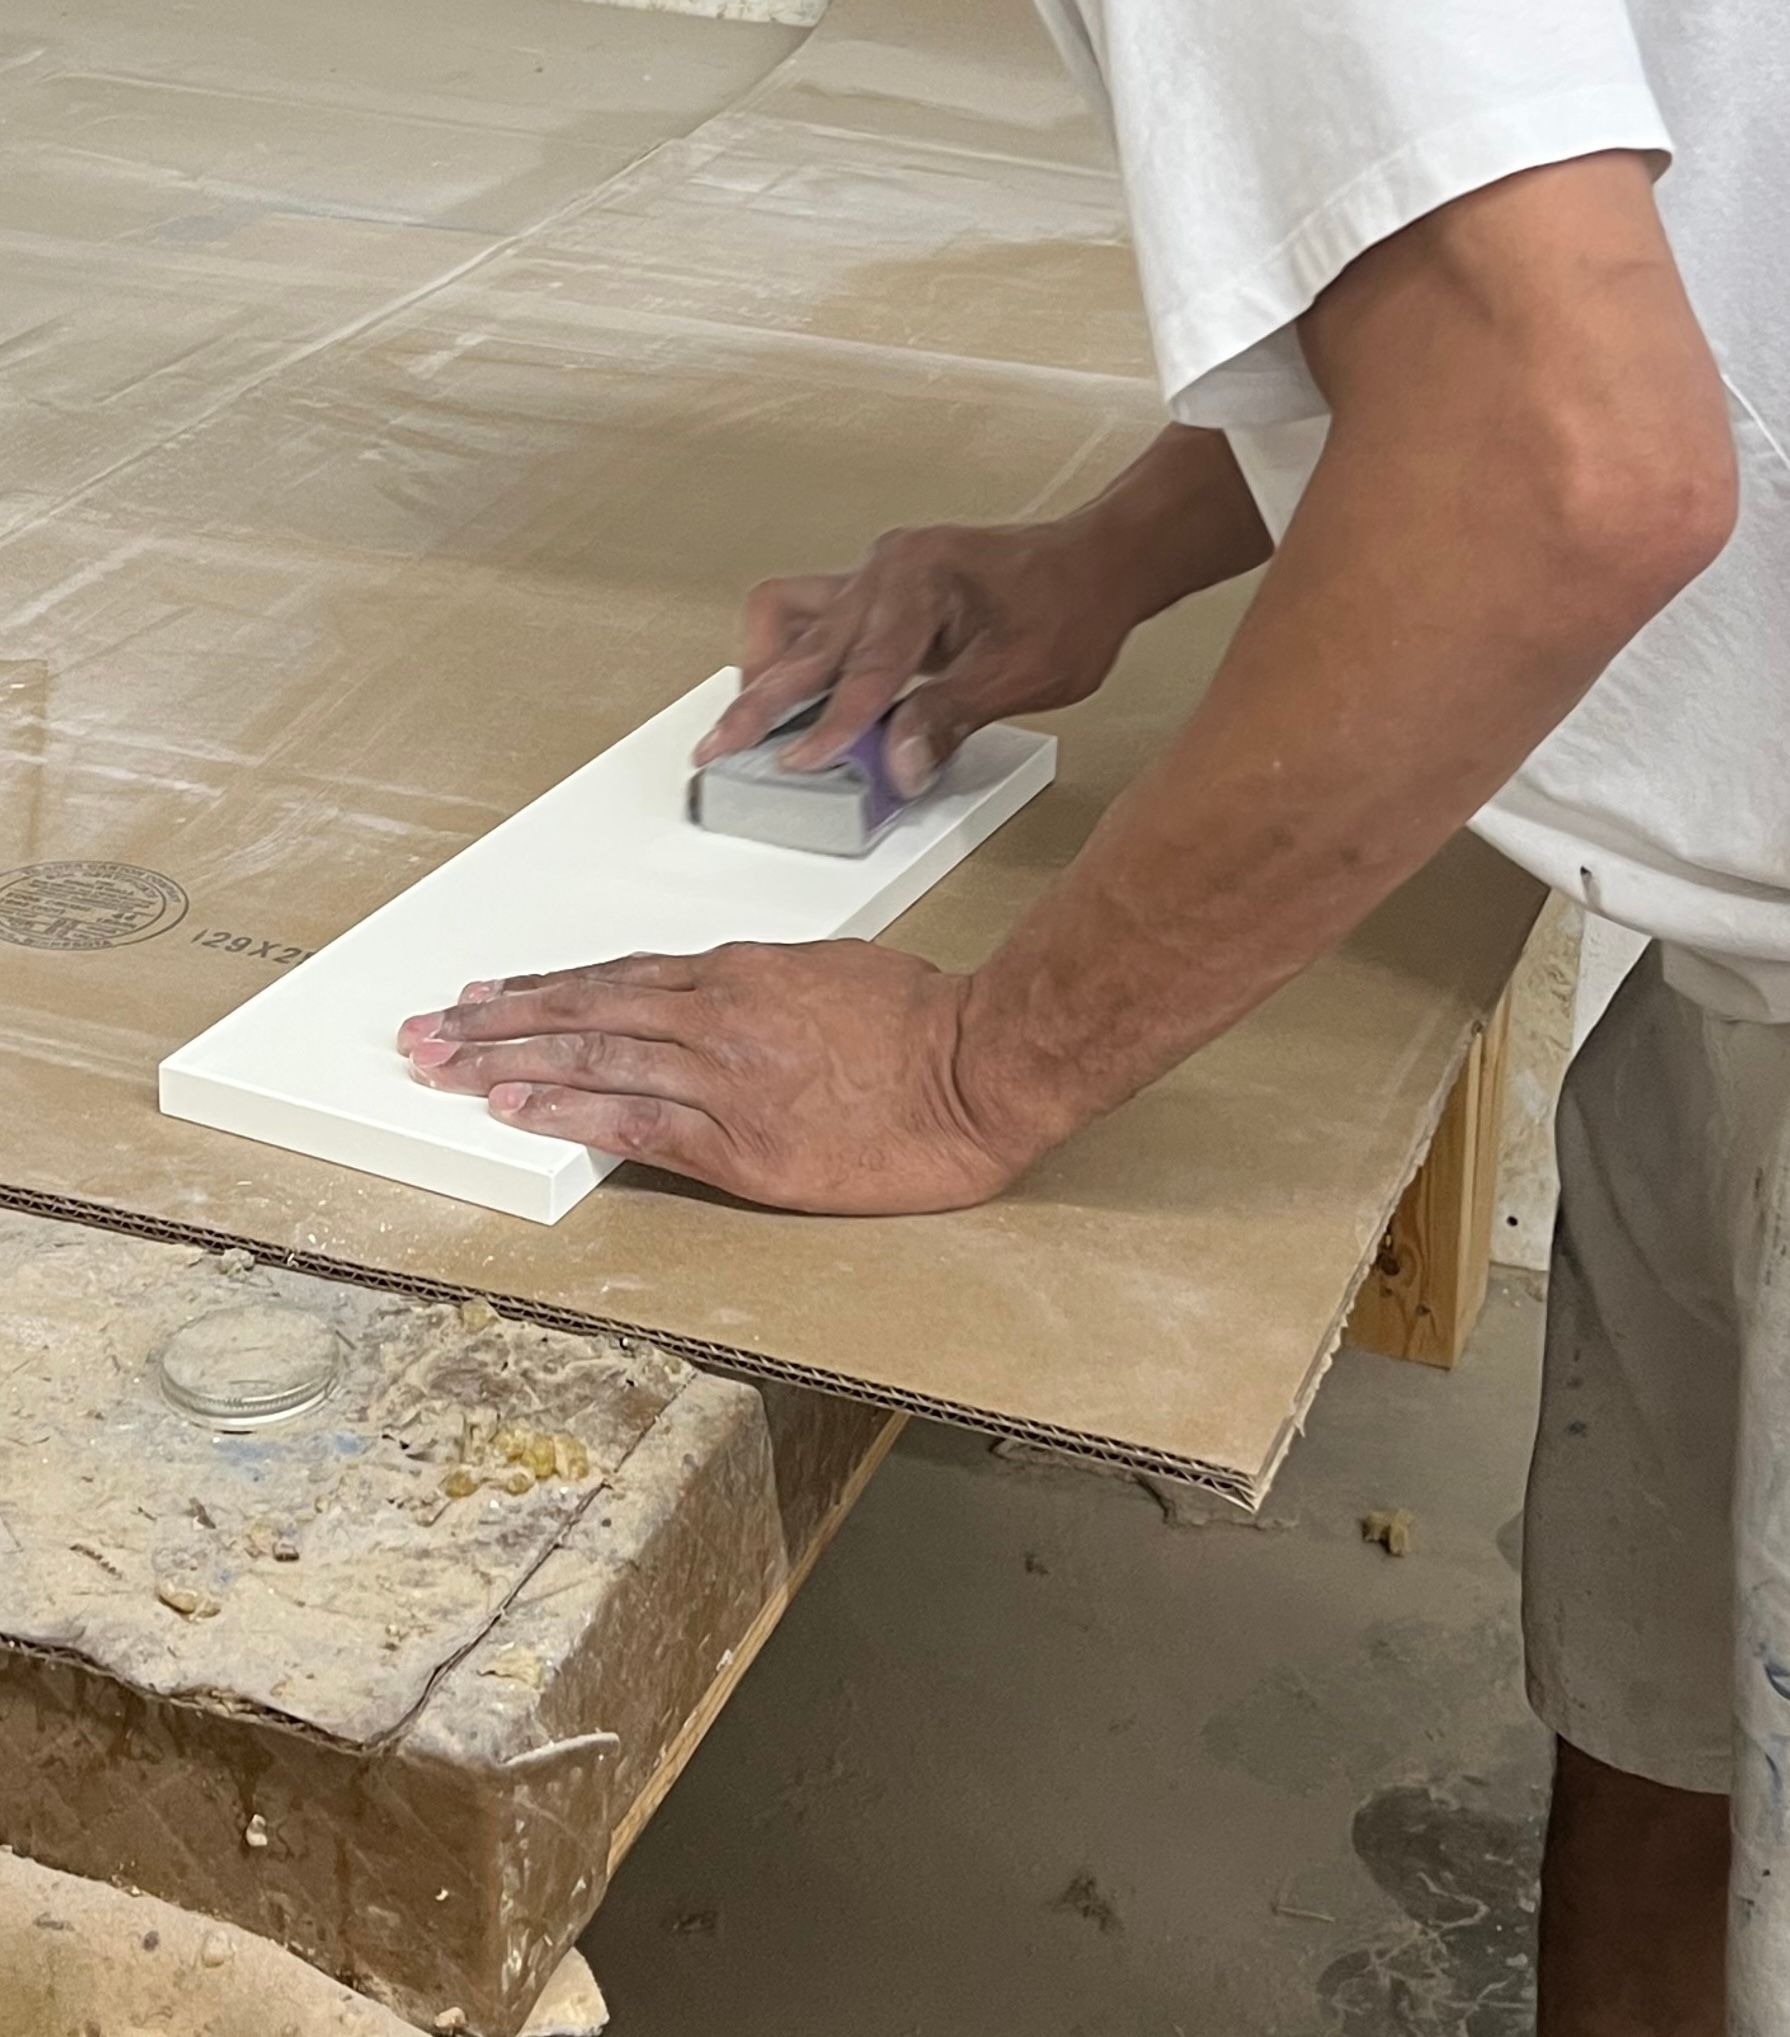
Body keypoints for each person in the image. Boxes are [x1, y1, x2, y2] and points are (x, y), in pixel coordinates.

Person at [398, 1, 1787, 2026]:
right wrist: (1116, 551)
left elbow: (1566, 457)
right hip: (1743, 939)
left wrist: (981, 1062)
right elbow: (1539, 216)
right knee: (1671, 1733)